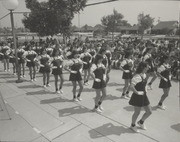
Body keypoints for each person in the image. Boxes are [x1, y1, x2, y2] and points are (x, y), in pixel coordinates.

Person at [129, 62, 152, 133]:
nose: (148, 68)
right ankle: (132, 125)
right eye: (147, 67)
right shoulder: (137, 76)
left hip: (144, 95)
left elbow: (144, 84)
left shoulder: (144, 75)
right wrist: (137, 92)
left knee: (149, 111)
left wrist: (146, 89)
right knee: (137, 112)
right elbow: (131, 86)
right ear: (143, 67)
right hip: (137, 96)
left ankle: (141, 122)